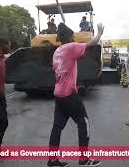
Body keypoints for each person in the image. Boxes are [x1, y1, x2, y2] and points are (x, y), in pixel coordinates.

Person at [47, 22, 104, 167]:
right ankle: (84, 159)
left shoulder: (57, 52)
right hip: (69, 95)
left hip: (59, 95)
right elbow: (91, 44)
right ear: (69, 37)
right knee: (83, 123)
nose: (74, 39)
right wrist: (99, 33)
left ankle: (52, 160)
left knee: (57, 127)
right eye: (73, 36)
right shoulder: (70, 48)